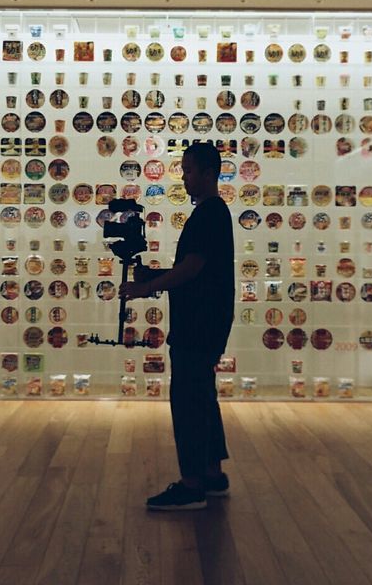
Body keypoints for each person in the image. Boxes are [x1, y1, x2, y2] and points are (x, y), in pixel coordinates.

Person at [121, 141, 233, 511]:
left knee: (187, 400)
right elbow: (196, 268)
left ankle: (191, 484)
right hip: (206, 321)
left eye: (188, 171)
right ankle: (212, 474)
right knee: (202, 395)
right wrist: (154, 274)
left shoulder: (209, 214)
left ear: (208, 173)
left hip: (198, 324)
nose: (184, 178)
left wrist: (146, 287)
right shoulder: (212, 213)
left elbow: (193, 268)